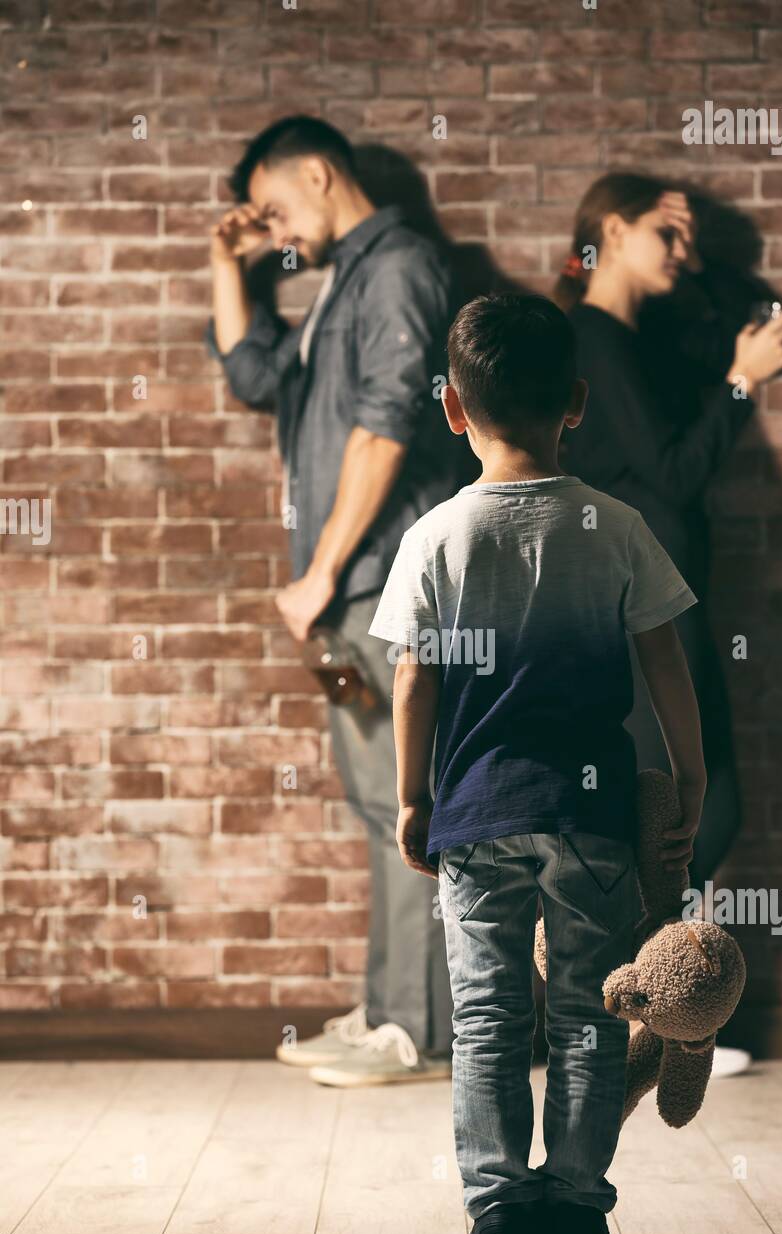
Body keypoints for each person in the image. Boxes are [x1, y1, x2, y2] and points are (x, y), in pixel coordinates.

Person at [366, 293, 707, 1234]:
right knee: (590, 1015)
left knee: (485, 1015)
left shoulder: (434, 536)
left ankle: (496, 1207)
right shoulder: (614, 525)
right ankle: (574, 1198)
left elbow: (411, 678)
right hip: (589, 812)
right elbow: (666, 663)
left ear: (449, 407)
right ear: (576, 401)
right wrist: (687, 776)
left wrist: (410, 799)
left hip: (473, 812)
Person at [204, 115, 465, 1085]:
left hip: (388, 581)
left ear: (319, 173)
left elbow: (389, 425)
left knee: (413, 803)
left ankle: (422, 1033)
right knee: (379, 801)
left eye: (277, 207)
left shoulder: (396, 267)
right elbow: (250, 373)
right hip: (355, 592)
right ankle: (393, 1010)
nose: (275, 231)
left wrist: (318, 573)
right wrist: (226, 260)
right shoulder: (333, 289)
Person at [552, 172, 782, 887]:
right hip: (635, 599)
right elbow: (674, 471)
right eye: (666, 232)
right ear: (615, 233)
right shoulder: (592, 338)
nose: (678, 248)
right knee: (698, 798)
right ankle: (624, 962)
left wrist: (694, 261)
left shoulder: (639, 339)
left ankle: (621, 966)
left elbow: (750, 308)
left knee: (685, 799)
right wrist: (739, 383)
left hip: (656, 592)